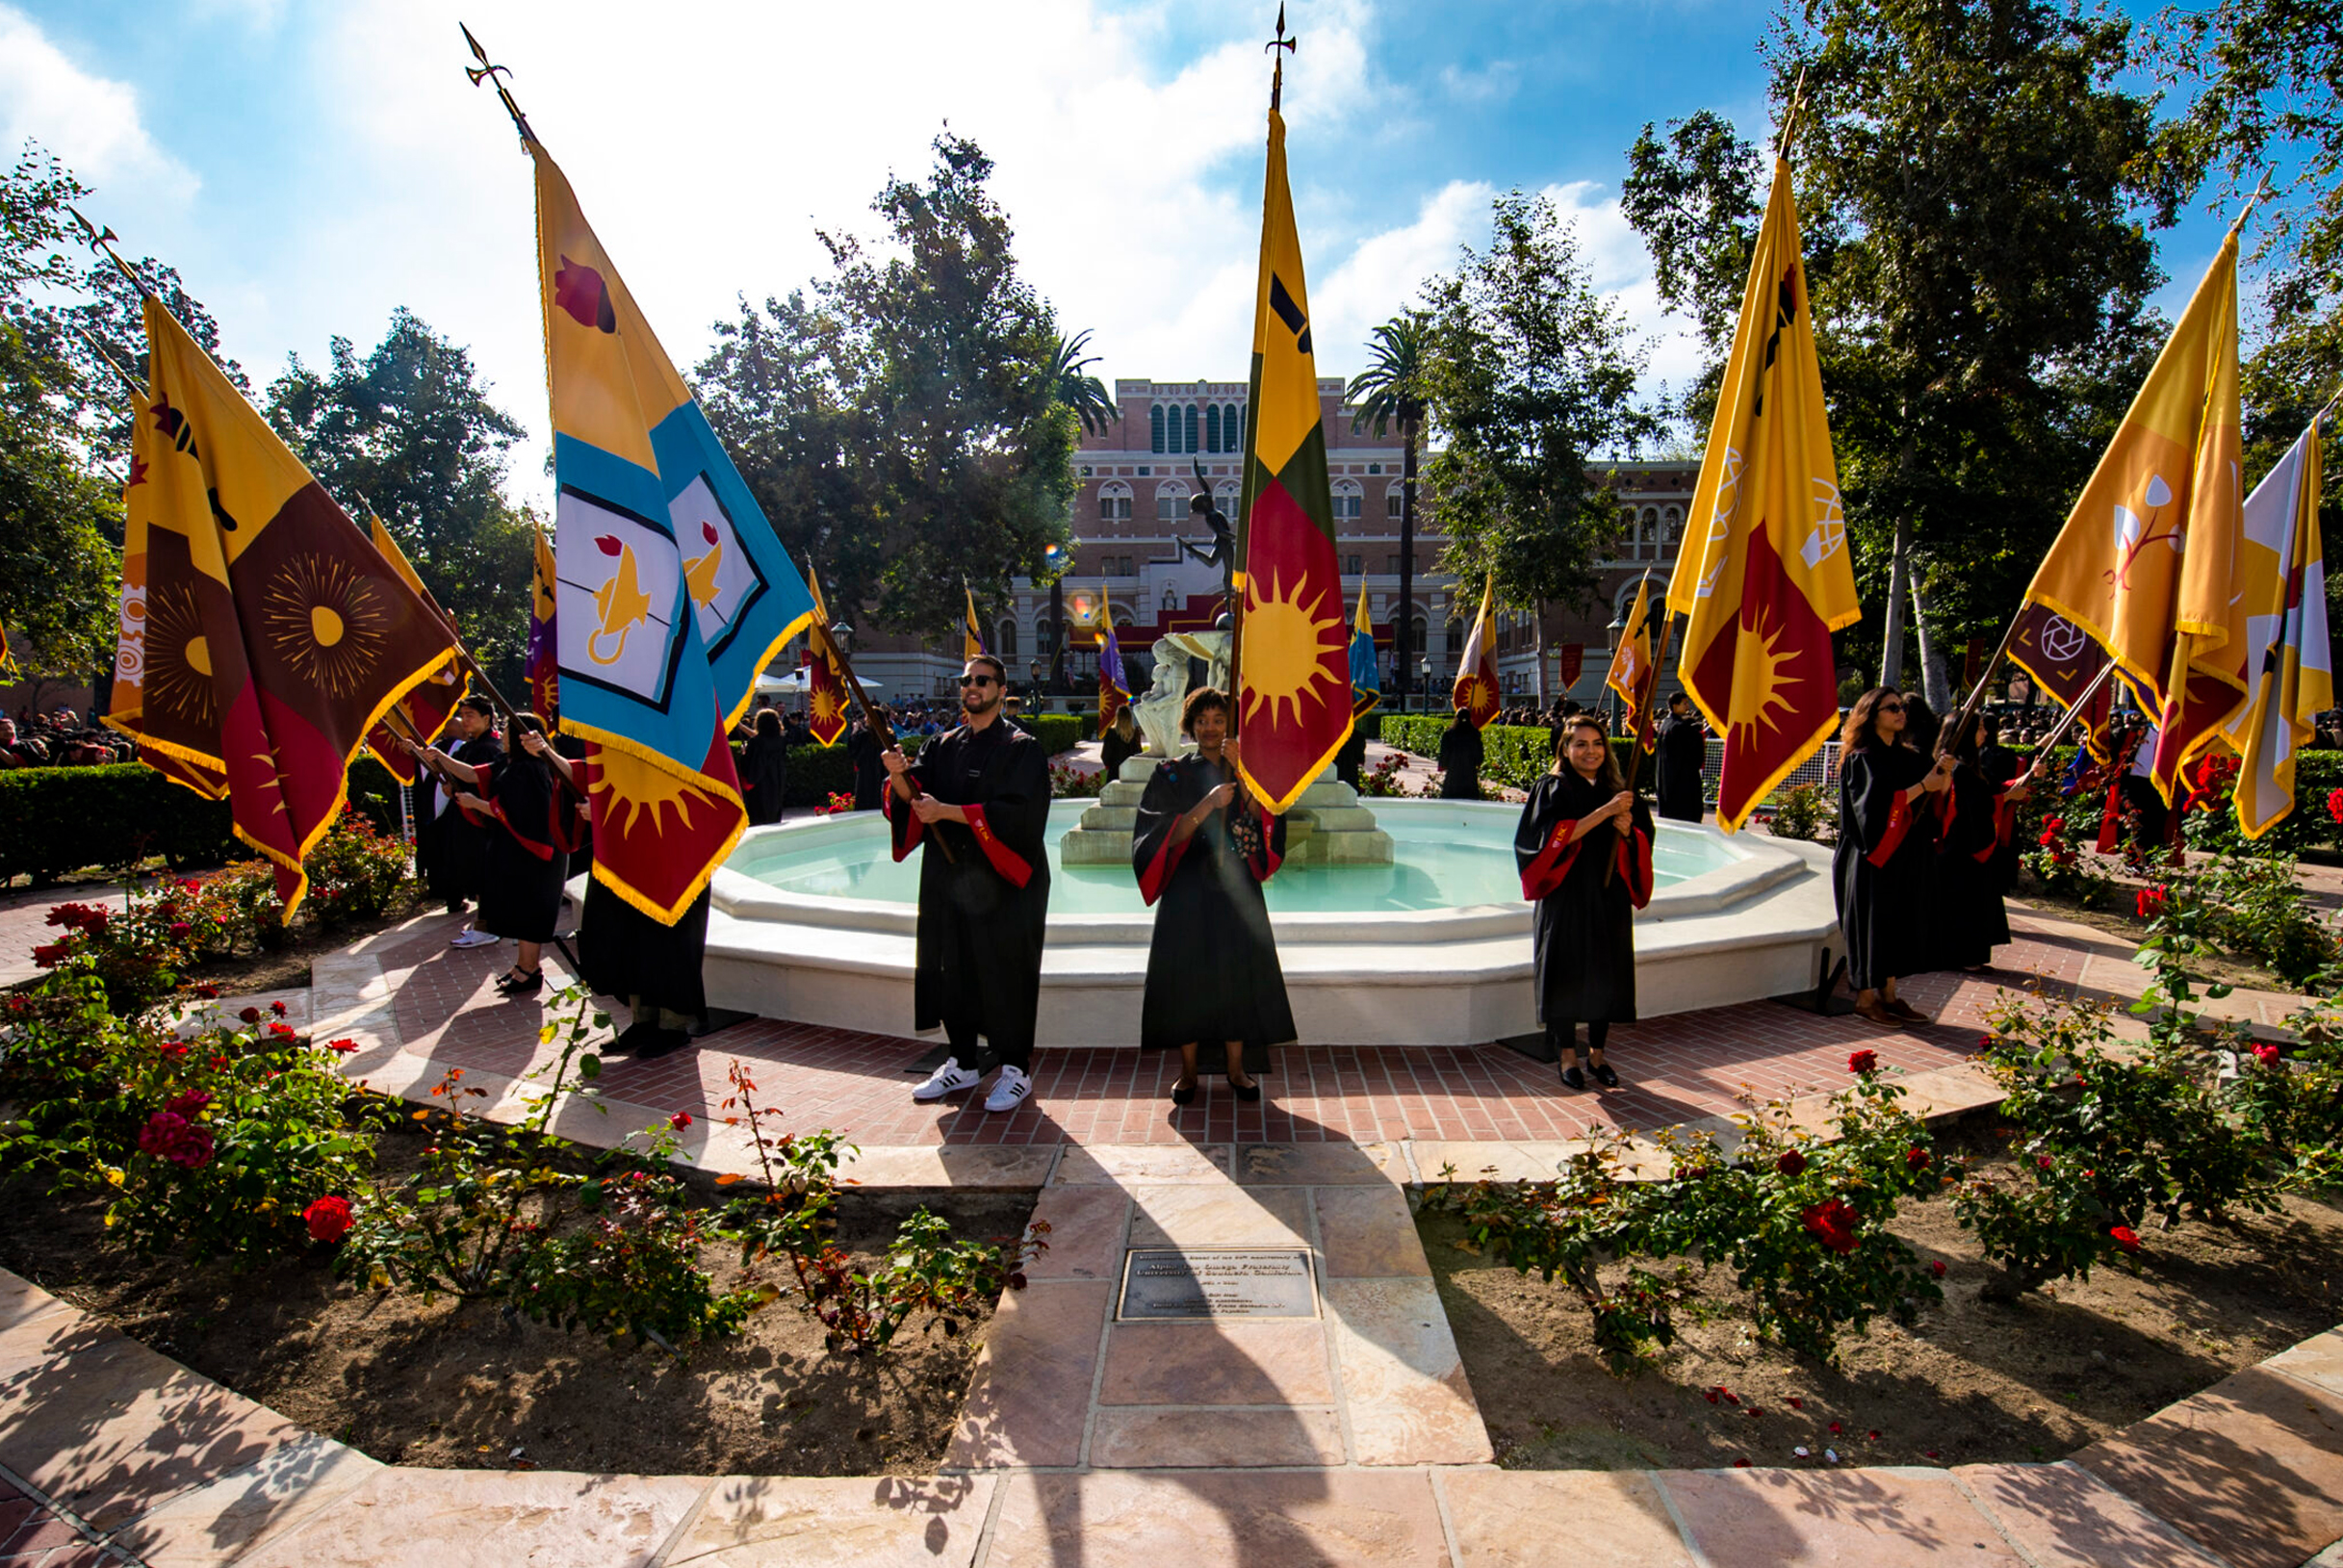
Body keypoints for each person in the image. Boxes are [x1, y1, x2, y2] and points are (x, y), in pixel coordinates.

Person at [887, 654, 1053, 1113]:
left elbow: (1020, 817)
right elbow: (915, 802)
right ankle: (961, 1061)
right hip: (950, 877)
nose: (972, 686)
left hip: (1005, 882)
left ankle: (1015, 1069)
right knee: (951, 965)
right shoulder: (942, 745)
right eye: (967, 680)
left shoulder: (1022, 748)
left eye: (983, 680)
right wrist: (899, 776)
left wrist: (950, 813)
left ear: (1002, 689)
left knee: (1006, 969)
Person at [1131, 688, 1294, 1104]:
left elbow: (1266, 819)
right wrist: (1205, 805)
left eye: (1218, 720)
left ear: (1229, 725)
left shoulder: (1247, 770)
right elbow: (1160, 836)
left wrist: (1242, 775)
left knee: (1236, 976)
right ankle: (1187, 1074)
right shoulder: (1171, 774)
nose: (1209, 728)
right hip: (1187, 888)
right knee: (1186, 979)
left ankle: (1237, 1070)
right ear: (1190, 725)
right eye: (1201, 720)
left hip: (1236, 889)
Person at [1515, 715, 1655, 1091]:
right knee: (1566, 974)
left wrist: (1629, 834)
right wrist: (1606, 813)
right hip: (1566, 895)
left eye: (1597, 744)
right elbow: (1551, 840)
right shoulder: (1553, 787)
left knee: (1605, 973)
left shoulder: (1619, 789)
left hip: (1608, 894)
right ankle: (1566, 1055)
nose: (1590, 751)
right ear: (1565, 747)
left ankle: (1597, 1054)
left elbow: (1643, 839)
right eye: (1580, 744)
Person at [410, 712, 580, 996]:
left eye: (506, 729)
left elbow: (521, 813)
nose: (501, 734)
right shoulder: (509, 763)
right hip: (517, 850)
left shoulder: (534, 769)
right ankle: (522, 966)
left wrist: (477, 803)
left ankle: (530, 970)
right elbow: (471, 773)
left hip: (536, 852)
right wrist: (437, 756)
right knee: (520, 909)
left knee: (530, 911)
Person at [1833, 688, 1955, 1028]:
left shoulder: (1912, 756)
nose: (1900, 713)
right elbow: (1869, 813)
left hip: (1906, 854)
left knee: (1898, 920)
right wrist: (1921, 788)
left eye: (1901, 707)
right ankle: (1866, 999)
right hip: (1872, 856)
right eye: (1891, 708)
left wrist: (1944, 776)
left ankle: (1889, 994)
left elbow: (1933, 802)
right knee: (1873, 923)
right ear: (1872, 715)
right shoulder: (1862, 758)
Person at [1932, 711, 2041, 971]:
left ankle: (1970, 955)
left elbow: (1992, 790)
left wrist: (2027, 778)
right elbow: (1972, 807)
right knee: (1963, 904)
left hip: (1971, 849)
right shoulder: (1955, 768)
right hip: (1960, 850)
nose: (1984, 733)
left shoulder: (1971, 765)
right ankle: (1960, 956)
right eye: (1979, 728)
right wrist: (2006, 798)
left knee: (1977, 901)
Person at [420, 696, 503, 947]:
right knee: (472, 872)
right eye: (463, 715)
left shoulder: (489, 748)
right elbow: (460, 778)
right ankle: (481, 923)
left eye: (470, 715)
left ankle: (488, 925)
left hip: (482, 820)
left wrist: (443, 760)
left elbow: (475, 776)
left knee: (483, 873)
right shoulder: (470, 747)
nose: (465, 720)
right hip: (466, 818)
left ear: (486, 718)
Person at [1655, 692, 1707, 824]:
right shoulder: (1680, 727)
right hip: (1682, 782)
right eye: (1684, 703)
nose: (1688, 706)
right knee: (1685, 817)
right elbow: (1695, 755)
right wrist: (1697, 734)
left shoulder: (1665, 725)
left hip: (1666, 779)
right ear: (1675, 705)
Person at [739, 707, 790, 827]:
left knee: (758, 816)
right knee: (774, 811)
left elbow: (749, 764)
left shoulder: (755, 742)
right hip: (777, 780)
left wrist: (744, 753)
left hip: (760, 783)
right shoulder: (781, 741)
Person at [847, 707, 887, 810]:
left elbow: (853, 751)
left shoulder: (864, 736)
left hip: (867, 775)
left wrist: (855, 731)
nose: (865, 719)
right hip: (884, 773)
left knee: (866, 804)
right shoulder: (888, 735)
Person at [1438, 709, 1483, 799]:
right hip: (1469, 772)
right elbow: (1479, 754)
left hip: (1453, 772)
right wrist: (1478, 762)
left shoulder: (1449, 734)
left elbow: (1444, 753)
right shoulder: (1475, 734)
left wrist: (1444, 765)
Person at [1100, 705, 1143, 785]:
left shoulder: (1111, 733)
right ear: (1130, 717)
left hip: (1115, 772)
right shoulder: (1135, 733)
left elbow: (1105, 755)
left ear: (1117, 717)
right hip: (1131, 772)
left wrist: (1110, 765)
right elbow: (1139, 752)